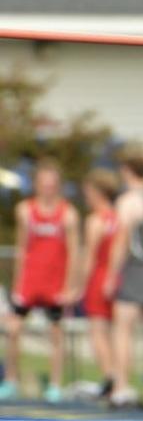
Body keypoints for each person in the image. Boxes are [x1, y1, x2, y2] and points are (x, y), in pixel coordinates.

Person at [0, 159, 80, 402]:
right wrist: (17, 283)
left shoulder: (68, 214)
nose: (48, 189)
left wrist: (70, 286)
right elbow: (22, 247)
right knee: (13, 330)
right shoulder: (25, 210)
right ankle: (11, 380)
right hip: (30, 281)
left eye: (52, 185)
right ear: (36, 185)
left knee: (55, 333)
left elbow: (74, 252)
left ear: (58, 186)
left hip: (54, 282)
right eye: (43, 184)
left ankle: (55, 385)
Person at [105, 150, 143, 409]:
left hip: (135, 268)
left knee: (123, 329)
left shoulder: (129, 201)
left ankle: (122, 387)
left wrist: (111, 274)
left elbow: (121, 240)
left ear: (128, 170)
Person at [79, 169, 121, 399]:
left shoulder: (96, 220)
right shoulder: (118, 217)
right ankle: (117, 374)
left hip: (99, 277)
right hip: (116, 278)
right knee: (115, 332)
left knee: (97, 331)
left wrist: (79, 287)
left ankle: (110, 376)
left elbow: (90, 256)